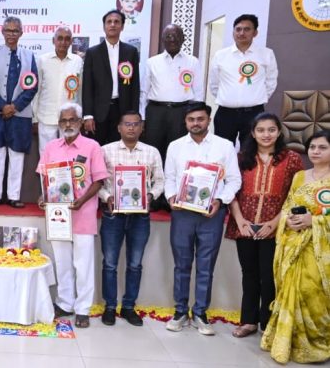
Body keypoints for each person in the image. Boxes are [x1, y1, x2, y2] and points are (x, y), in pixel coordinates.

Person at [164, 102, 241, 335]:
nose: (196, 123)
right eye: (191, 119)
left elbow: (234, 180)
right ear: (185, 122)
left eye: (200, 119)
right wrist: (171, 197)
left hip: (211, 214)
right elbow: (169, 178)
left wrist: (220, 200)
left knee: (206, 265)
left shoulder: (224, 146)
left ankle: (200, 313)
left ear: (209, 120)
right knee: (182, 264)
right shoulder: (176, 146)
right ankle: (180, 311)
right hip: (182, 213)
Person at [225, 113, 303, 338]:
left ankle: (269, 323)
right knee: (249, 273)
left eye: (271, 130)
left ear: (279, 132)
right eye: (260, 130)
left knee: (270, 275)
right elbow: (231, 190)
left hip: (276, 227)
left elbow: (296, 194)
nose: (266, 134)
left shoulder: (291, 159)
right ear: (253, 133)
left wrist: (275, 222)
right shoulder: (241, 158)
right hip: (245, 226)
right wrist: (240, 220)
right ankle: (248, 321)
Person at [261, 130, 330, 364]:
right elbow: (288, 205)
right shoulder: (300, 176)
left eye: (322, 147)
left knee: (312, 291)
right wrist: (288, 220)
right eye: (313, 147)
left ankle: (316, 342)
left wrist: (315, 221)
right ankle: (288, 340)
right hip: (294, 244)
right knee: (291, 289)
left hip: (321, 248)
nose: (316, 152)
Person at [37, 103, 108, 328]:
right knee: (62, 262)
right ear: (59, 123)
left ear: (80, 122)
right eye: (63, 120)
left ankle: (83, 308)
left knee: (83, 264)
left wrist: (82, 200)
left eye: (72, 120)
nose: (68, 124)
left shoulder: (92, 146)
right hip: (58, 215)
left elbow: (99, 181)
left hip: (83, 213)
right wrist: (43, 197)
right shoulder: (51, 147)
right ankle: (65, 303)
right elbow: (45, 178)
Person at [98, 111, 164, 326]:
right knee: (110, 263)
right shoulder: (105, 150)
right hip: (113, 215)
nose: (131, 128)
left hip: (140, 216)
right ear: (119, 127)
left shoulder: (151, 152)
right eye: (127, 124)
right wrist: (107, 197)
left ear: (142, 128)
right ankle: (109, 307)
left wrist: (151, 196)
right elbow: (96, 180)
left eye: (136, 124)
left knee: (135, 264)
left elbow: (160, 182)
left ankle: (128, 307)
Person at [0, 16, 38, 208]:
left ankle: (14, 196)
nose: (11, 34)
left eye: (15, 31)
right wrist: (2, 106)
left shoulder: (29, 56)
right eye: (8, 30)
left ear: (21, 33)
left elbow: (33, 86)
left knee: (17, 155)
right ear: (2, 32)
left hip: (20, 114)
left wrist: (14, 106)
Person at [208, 14, 278, 146]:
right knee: (222, 150)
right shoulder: (220, 55)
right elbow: (214, 84)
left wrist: (256, 98)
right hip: (225, 113)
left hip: (254, 113)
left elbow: (271, 82)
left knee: (250, 151)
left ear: (255, 33)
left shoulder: (266, 54)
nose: (242, 33)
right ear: (233, 32)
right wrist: (228, 99)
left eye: (247, 29)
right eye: (238, 29)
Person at [140, 24, 203, 161]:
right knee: (154, 149)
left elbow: (198, 92)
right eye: (168, 36)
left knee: (178, 150)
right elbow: (144, 92)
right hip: (156, 112)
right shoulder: (152, 62)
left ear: (183, 39)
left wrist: (197, 116)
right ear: (162, 39)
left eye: (176, 36)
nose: (172, 39)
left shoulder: (192, 62)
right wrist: (142, 117)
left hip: (181, 112)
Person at [82, 9, 140, 147]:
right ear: (104, 26)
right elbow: (87, 86)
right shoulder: (92, 52)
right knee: (96, 149)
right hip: (98, 112)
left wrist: (134, 115)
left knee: (120, 149)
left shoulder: (131, 52)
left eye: (116, 22)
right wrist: (88, 115)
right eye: (109, 22)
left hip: (122, 110)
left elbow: (135, 86)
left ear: (122, 26)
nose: (112, 25)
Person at [33, 26, 84, 153]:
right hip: (46, 117)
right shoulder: (42, 60)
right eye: (60, 38)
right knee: (46, 154)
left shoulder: (77, 61)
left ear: (71, 41)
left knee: (69, 154)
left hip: (70, 118)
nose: (63, 42)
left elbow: (80, 92)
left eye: (67, 39)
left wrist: (80, 116)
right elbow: (36, 91)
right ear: (53, 40)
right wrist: (34, 118)